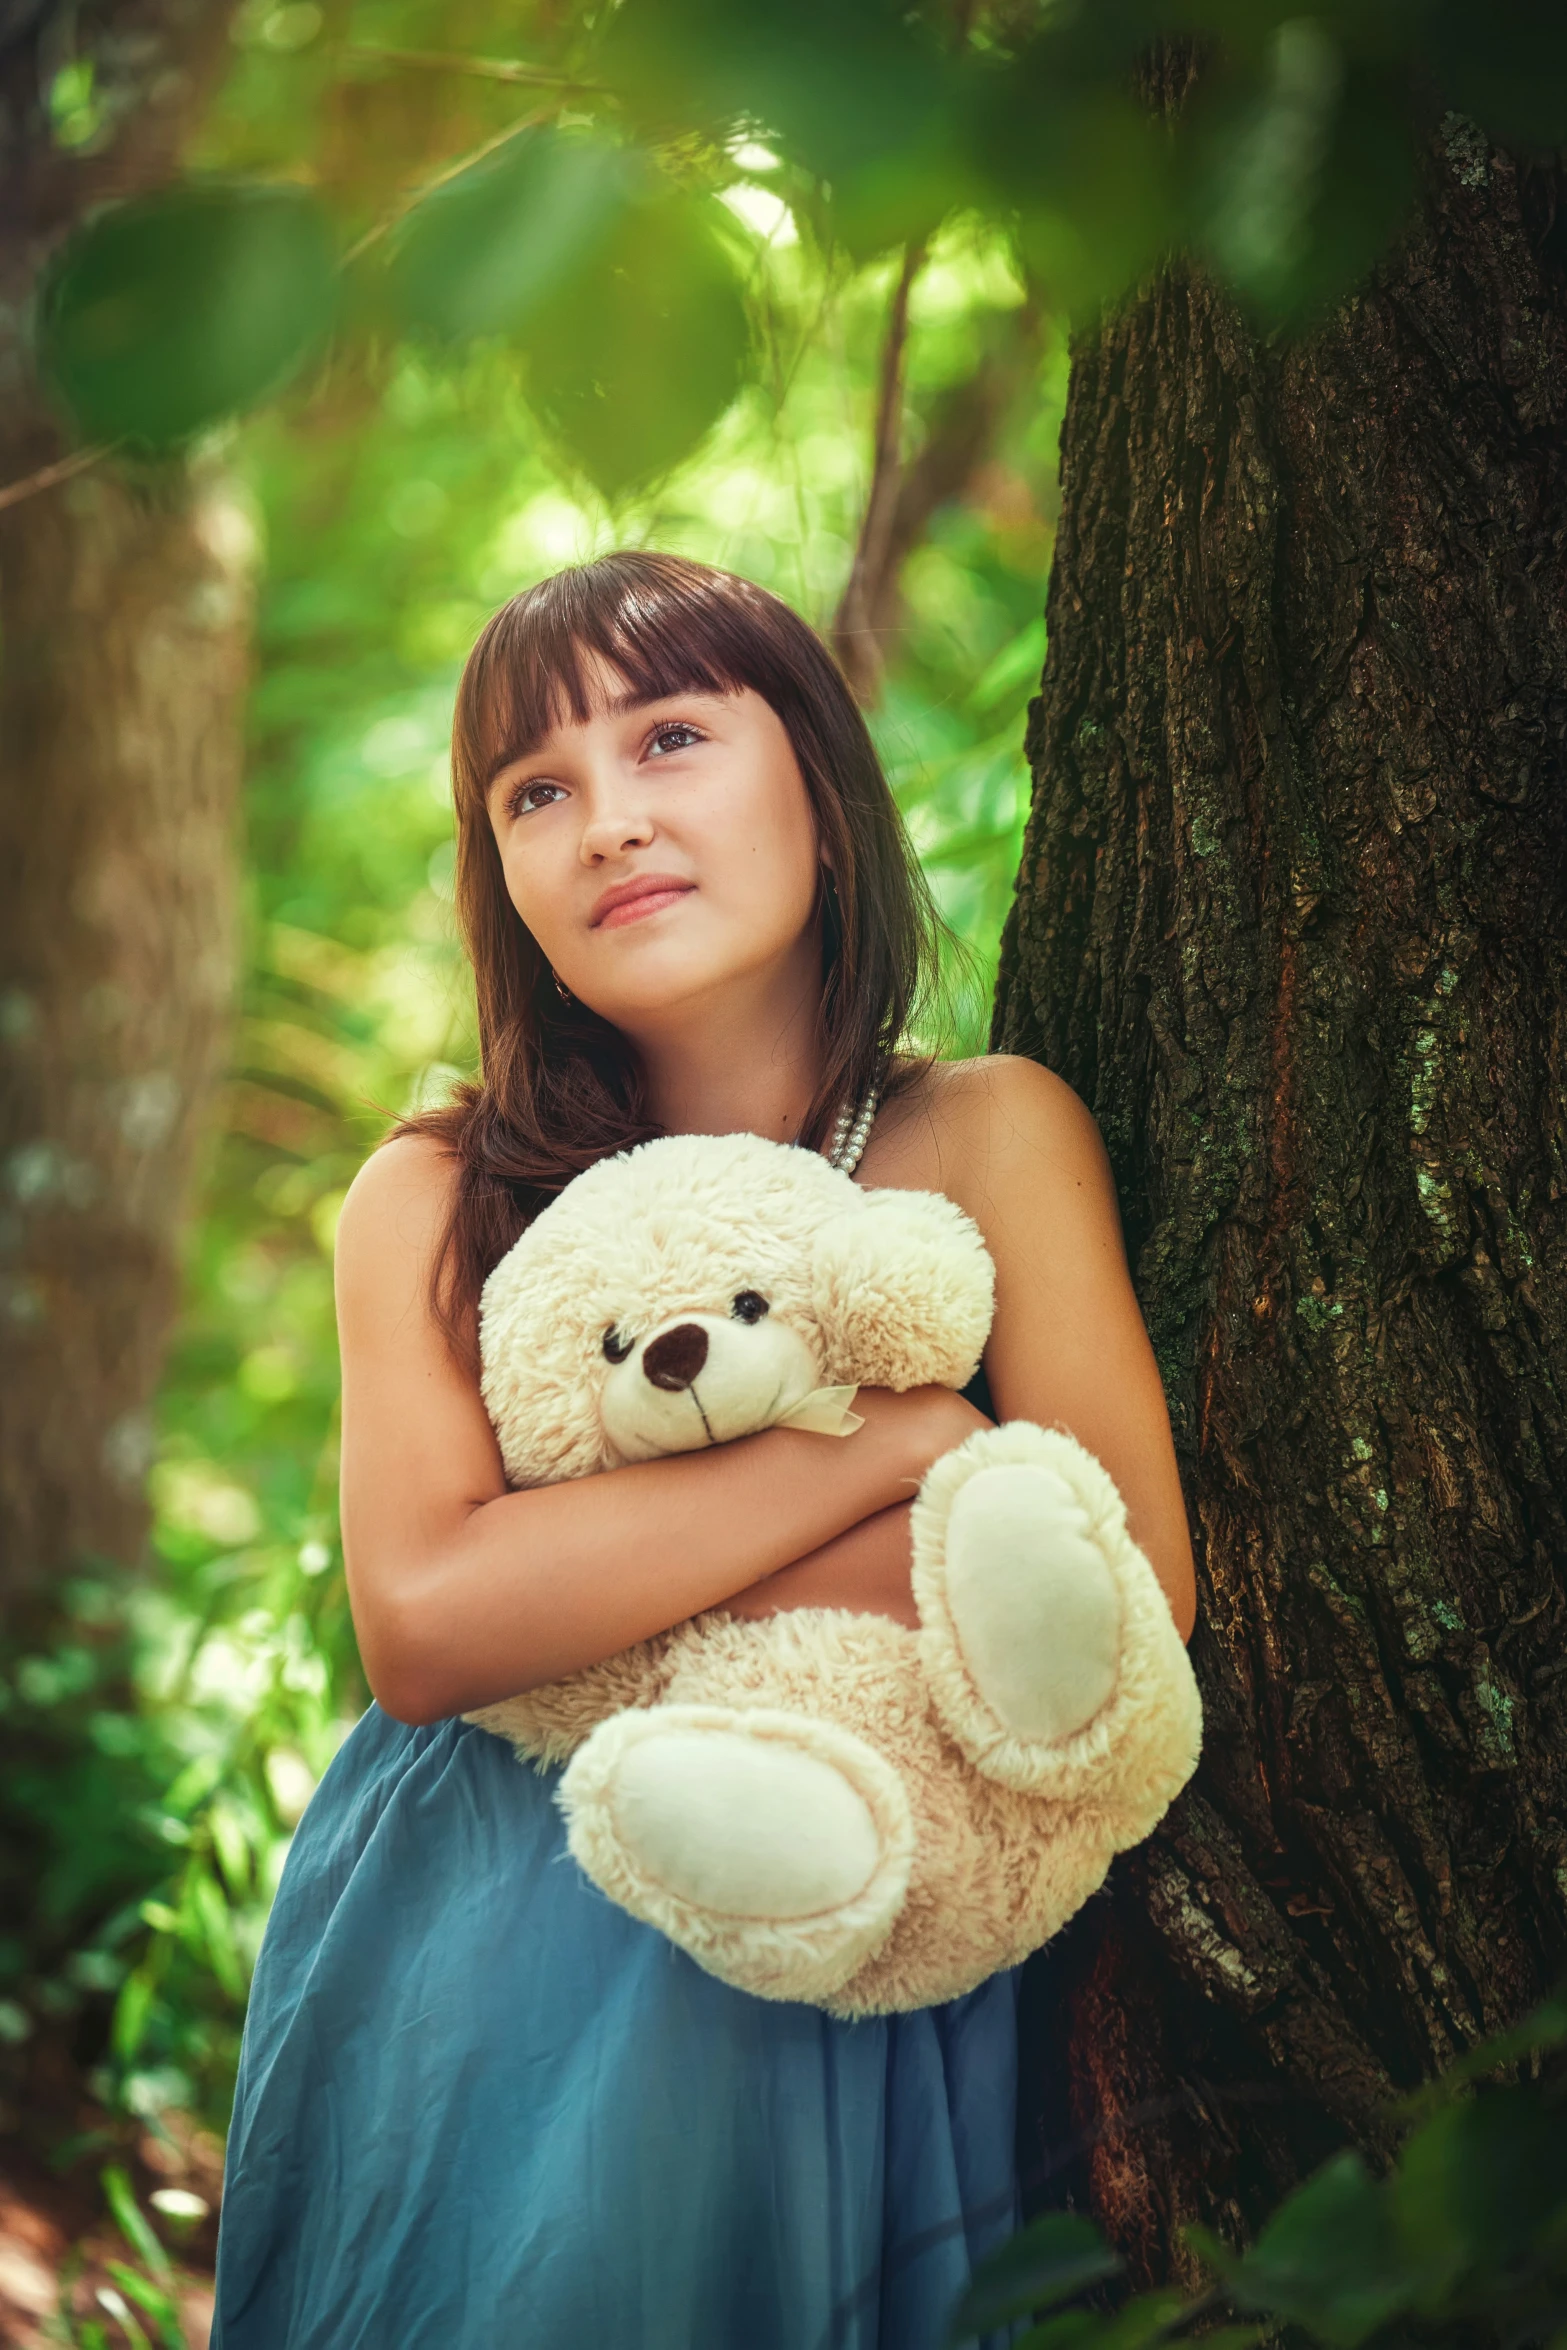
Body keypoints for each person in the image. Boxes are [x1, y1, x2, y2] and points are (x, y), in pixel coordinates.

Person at [210, 552, 1196, 2350]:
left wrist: (581, 1564)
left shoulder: (983, 1134)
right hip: (497, 1931)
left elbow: (1116, 1584)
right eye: (536, 790)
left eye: (669, 736)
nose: (606, 821)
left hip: (881, 1933)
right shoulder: (433, 1193)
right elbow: (431, 1625)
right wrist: (896, 1446)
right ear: (500, 871)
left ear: (816, 778)